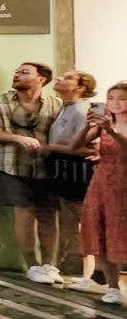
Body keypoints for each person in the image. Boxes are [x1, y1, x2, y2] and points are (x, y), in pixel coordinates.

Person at [0, 61, 63, 282]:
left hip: (47, 167)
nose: (17, 75)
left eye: (24, 72)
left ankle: (49, 265)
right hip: (12, 165)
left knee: (48, 216)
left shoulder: (55, 104)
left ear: (41, 79)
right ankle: (32, 265)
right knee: (24, 214)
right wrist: (18, 138)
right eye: (16, 71)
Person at [71, 82, 127, 305]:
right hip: (102, 183)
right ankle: (112, 286)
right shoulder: (104, 124)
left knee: (121, 230)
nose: (115, 103)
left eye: (121, 98)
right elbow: (74, 146)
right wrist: (87, 125)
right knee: (100, 230)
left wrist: (112, 131)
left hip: (124, 183)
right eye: (111, 98)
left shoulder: (113, 127)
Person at [47, 70, 99, 287]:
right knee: (73, 222)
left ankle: (92, 273)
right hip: (65, 170)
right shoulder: (65, 108)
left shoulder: (80, 111)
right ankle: (84, 271)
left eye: (68, 78)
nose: (60, 79)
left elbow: (89, 149)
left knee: (84, 221)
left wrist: (48, 148)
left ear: (80, 87)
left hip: (78, 172)